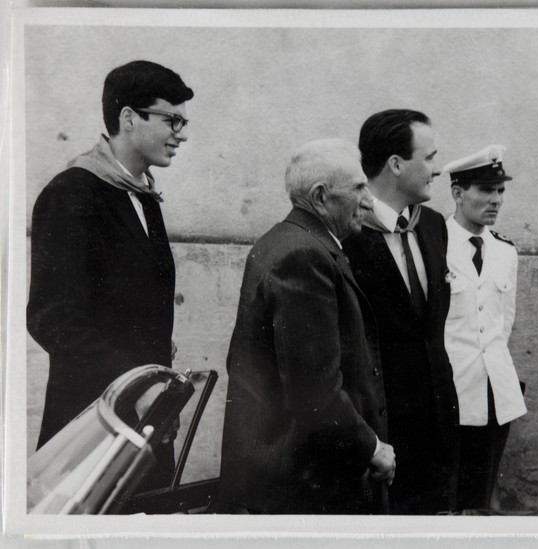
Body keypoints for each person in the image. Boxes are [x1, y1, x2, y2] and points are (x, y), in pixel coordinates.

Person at [219, 139, 395, 515]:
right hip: (302, 485)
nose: (369, 199)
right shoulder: (304, 255)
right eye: (359, 188)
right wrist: (373, 448)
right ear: (320, 197)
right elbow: (315, 392)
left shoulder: (288, 241)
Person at [27, 60, 194, 450]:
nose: (181, 135)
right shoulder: (72, 194)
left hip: (140, 419)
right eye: (172, 121)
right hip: (91, 422)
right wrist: (134, 384)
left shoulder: (143, 196)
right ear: (129, 118)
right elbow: (50, 318)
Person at [343, 109, 460, 514]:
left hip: (436, 428)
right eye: (429, 158)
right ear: (395, 164)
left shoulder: (432, 225)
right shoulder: (347, 233)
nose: (438, 169)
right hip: (381, 433)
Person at [442, 145, 527, 511]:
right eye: (485, 190)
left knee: (479, 495)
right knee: (444, 495)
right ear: (458, 194)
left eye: (500, 191)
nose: (496, 200)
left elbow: (503, 323)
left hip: (494, 390)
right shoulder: (433, 244)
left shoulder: (506, 252)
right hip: (449, 388)